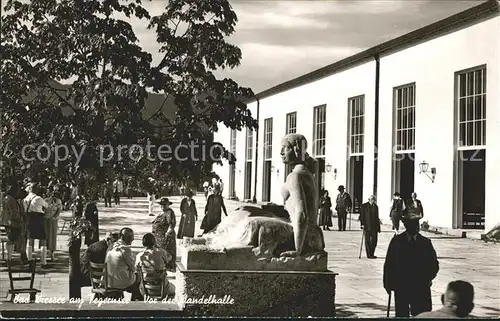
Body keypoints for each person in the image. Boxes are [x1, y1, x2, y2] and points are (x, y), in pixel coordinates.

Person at [383, 212, 439, 317]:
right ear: (407, 226)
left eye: (417, 225)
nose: (416, 227)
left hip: (420, 287)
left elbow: (434, 264)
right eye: (413, 225)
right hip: (402, 286)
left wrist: (427, 278)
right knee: (402, 314)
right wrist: (388, 283)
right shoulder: (397, 241)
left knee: (421, 314)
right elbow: (389, 264)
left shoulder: (425, 242)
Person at [105, 227, 143, 301]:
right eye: (131, 237)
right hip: (120, 281)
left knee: (135, 278)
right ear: (124, 237)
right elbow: (133, 267)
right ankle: (136, 303)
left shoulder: (111, 246)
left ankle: (135, 300)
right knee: (139, 277)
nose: (132, 239)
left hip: (109, 281)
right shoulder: (125, 249)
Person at [1, 178, 28, 262]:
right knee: (13, 240)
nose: (18, 192)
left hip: (9, 223)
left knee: (15, 240)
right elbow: (14, 213)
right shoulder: (11, 200)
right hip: (13, 224)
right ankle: (9, 258)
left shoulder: (7, 198)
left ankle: (14, 257)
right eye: (18, 190)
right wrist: (21, 219)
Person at [23, 182, 49, 267]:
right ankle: (43, 262)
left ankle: (29, 260)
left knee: (30, 240)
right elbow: (47, 205)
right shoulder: (38, 198)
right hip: (39, 219)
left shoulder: (25, 199)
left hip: (30, 219)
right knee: (43, 240)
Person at [152, 198, 177, 271]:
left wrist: (167, 235)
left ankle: (168, 267)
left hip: (165, 238)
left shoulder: (169, 212)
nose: (163, 206)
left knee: (166, 253)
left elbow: (171, 225)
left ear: (168, 205)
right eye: (161, 205)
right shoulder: (163, 213)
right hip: (159, 238)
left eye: (164, 205)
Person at [44, 188, 63, 261]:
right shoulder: (45, 200)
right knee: (45, 236)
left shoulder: (58, 201)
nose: (53, 196)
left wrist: (54, 217)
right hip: (46, 220)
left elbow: (59, 210)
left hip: (53, 220)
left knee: (53, 237)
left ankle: (52, 253)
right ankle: (44, 253)